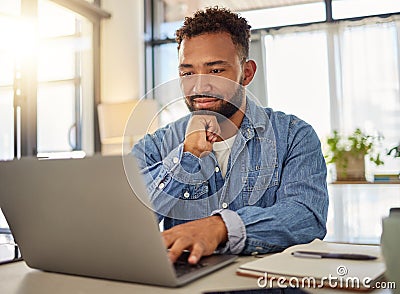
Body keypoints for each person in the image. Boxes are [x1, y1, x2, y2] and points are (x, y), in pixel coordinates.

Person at [132, 7, 328, 265]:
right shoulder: (156, 145)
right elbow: (127, 223)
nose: (200, 86)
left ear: (246, 73)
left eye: (215, 71)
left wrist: (220, 228)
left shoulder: (293, 135)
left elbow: (307, 218)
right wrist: (185, 158)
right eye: (188, 73)